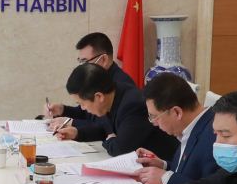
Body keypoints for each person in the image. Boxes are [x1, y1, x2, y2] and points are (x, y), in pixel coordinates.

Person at [43, 62, 177, 160]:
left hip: (164, 169)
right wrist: (77, 133)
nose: (82, 108)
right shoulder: (113, 95)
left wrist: (110, 140)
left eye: (82, 104)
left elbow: (120, 149)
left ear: (99, 97)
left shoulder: (133, 105)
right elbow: (103, 129)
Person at [130, 73, 218, 184]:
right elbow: (188, 172)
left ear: (177, 112)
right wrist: (163, 165)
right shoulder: (192, 126)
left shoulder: (215, 136)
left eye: (154, 117)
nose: (154, 123)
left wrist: (165, 178)